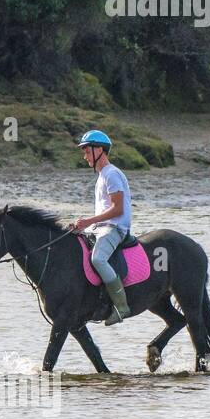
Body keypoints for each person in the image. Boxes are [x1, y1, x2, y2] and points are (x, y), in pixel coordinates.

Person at [71, 130, 132, 325]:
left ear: (99, 150)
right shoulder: (102, 176)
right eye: (84, 152)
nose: (85, 156)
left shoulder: (112, 174)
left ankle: (122, 306)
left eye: (87, 151)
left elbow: (117, 209)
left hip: (115, 228)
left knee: (98, 258)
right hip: (100, 227)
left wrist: (88, 221)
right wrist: (81, 226)